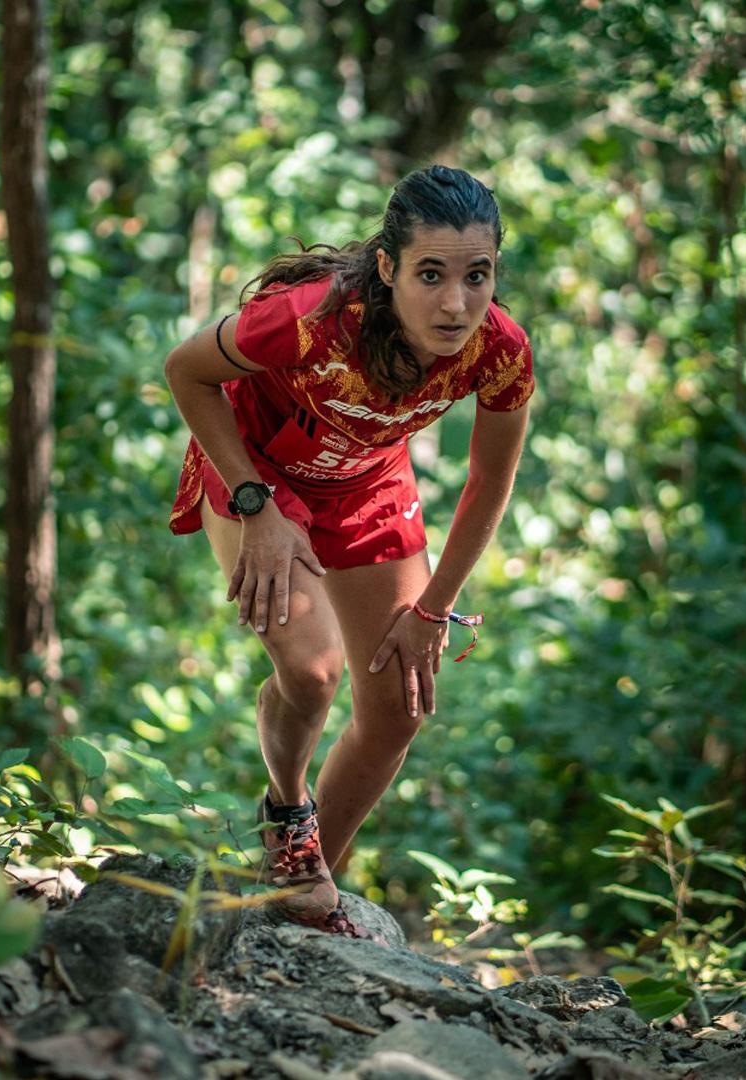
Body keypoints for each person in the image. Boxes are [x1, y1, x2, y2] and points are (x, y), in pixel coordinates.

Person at [163, 166, 534, 939]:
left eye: (478, 275)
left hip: (366, 486)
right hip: (258, 470)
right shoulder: (308, 319)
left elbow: (490, 480)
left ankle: (297, 889)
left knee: (398, 706)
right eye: (431, 274)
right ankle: (287, 808)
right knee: (312, 668)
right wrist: (253, 505)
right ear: (390, 267)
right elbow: (187, 372)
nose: (456, 302)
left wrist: (433, 610)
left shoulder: (499, 350)